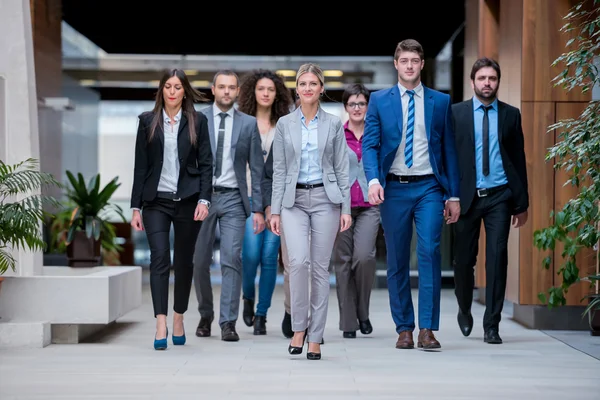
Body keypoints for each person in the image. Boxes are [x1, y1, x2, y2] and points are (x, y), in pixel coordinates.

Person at [362, 39, 460, 350]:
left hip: (429, 186)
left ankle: (427, 329)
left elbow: (449, 151)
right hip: (393, 187)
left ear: (421, 64)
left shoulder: (440, 102)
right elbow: (371, 145)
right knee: (397, 258)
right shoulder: (379, 100)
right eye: (403, 60)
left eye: (414, 60)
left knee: (430, 252)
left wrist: (453, 195)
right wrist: (373, 180)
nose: (409, 65)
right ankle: (404, 327)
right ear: (395, 64)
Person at [270, 63, 352, 360]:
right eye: (302, 83)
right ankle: (299, 328)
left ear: (321, 89)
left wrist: (345, 207)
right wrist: (275, 210)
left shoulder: (333, 123)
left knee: (319, 268)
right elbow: (279, 170)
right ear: (297, 89)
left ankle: (315, 336)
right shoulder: (284, 124)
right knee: (298, 263)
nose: (307, 88)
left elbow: (343, 169)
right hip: (292, 202)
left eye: (312, 84)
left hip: (325, 199)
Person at [130, 68, 213, 350]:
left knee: (184, 262)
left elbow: (206, 164)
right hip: (155, 201)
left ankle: (179, 316)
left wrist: (204, 199)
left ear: (185, 90)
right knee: (160, 258)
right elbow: (140, 167)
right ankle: (161, 322)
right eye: (168, 86)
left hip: (188, 200)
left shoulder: (197, 121)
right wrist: (135, 206)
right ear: (161, 90)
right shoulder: (146, 121)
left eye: (178, 87)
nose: (173, 92)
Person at [451, 57, 529, 344]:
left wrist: (522, 204)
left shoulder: (511, 115)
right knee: (463, 262)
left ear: (498, 82)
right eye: (482, 78)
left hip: (500, 196)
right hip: (466, 198)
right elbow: (449, 159)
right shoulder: (456, 114)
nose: (487, 83)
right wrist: (450, 196)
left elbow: (519, 160)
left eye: (492, 79)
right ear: (472, 82)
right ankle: (464, 307)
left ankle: (491, 326)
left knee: (497, 259)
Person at [193, 70, 266, 342]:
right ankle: (205, 314)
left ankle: (228, 322)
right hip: (203, 197)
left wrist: (258, 208)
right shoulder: (198, 119)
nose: (226, 91)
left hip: (235, 197)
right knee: (199, 260)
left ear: (237, 92)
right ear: (213, 89)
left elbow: (257, 169)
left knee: (232, 259)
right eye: (221, 87)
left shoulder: (248, 124)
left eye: (231, 87)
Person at [237, 69, 293, 335]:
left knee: (270, 257)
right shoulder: (242, 123)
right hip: (247, 198)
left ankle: (261, 314)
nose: (266, 93)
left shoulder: (284, 124)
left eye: (271, 89)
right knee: (250, 255)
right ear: (253, 92)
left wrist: (276, 204)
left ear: (277, 93)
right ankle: (248, 295)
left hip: (276, 202)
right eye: (261, 89)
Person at [331, 83, 380, 339]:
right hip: (342, 207)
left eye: (362, 103)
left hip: (370, 207)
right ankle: (348, 322)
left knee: (364, 257)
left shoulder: (376, 134)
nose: (357, 108)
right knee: (343, 263)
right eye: (352, 104)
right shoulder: (338, 135)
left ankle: (363, 312)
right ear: (346, 107)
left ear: (368, 106)